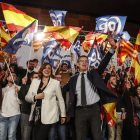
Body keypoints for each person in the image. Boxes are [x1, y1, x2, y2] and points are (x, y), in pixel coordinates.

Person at [62, 34, 118, 140]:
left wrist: (111, 47)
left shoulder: (93, 73)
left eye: (86, 61)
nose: (84, 62)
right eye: (81, 61)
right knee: (80, 137)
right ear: (77, 65)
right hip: (79, 112)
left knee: (97, 137)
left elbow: (103, 63)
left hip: (94, 110)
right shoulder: (73, 79)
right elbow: (62, 90)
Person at [25, 63, 66, 140]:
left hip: (50, 115)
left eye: (49, 68)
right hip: (36, 115)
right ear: (41, 70)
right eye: (45, 68)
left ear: (51, 71)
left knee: (40, 137)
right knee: (35, 137)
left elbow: (60, 100)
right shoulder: (35, 82)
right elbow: (27, 97)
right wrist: (35, 97)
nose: (47, 70)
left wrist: (63, 115)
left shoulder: (55, 83)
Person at [0, 72, 21, 140]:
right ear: (7, 78)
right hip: (3, 114)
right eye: (11, 75)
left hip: (14, 114)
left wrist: (17, 92)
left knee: (11, 136)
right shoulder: (3, 90)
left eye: (14, 76)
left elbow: (20, 102)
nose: (13, 77)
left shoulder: (19, 88)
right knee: (2, 137)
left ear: (15, 79)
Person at [18, 72, 38, 140]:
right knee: (26, 135)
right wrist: (23, 83)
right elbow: (20, 96)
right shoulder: (26, 87)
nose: (37, 79)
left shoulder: (42, 88)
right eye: (36, 77)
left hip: (37, 114)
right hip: (27, 113)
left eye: (39, 77)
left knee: (36, 135)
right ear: (31, 79)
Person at [48, 74, 66, 140]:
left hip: (61, 115)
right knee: (52, 136)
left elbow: (65, 103)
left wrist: (65, 114)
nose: (58, 79)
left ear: (61, 80)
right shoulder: (49, 89)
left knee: (62, 136)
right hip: (51, 115)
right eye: (56, 78)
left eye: (59, 78)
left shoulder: (64, 90)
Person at [107, 75, 125, 140]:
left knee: (119, 134)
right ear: (110, 81)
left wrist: (123, 113)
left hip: (119, 115)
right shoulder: (107, 90)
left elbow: (121, 103)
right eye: (113, 79)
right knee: (111, 134)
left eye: (116, 79)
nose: (115, 80)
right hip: (111, 115)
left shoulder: (118, 91)